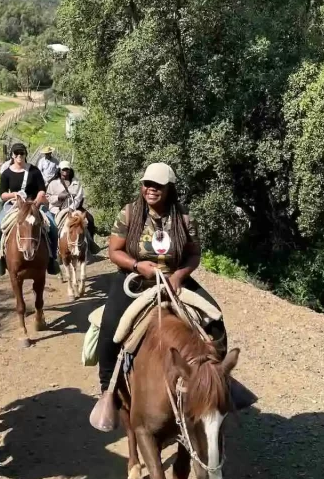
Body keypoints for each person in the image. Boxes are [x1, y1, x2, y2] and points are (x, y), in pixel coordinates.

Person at [90, 162, 228, 432]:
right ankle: (108, 391)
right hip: (135, 280)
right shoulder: (129, 214)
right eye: (147, 184)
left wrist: (179, 276)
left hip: (175, 280)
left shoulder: (185, 219)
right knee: (110, 329)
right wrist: (136, 265)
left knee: (216, 320)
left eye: (157, 185)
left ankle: (215, 381)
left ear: (169, 189)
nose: (151, 189)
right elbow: (114, 251)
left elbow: (193, 254)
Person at [0, 143, 59, 274]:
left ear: (25, 155)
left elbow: (41, 190)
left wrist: (37, 201)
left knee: (53, 227)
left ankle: (52, 259)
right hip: (14, 206)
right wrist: (13, 195)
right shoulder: (6, 173)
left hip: (33, 205)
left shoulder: (34, 171)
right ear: (12, 155)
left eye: (22, 153)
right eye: (16, 153)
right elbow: (3, 194)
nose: (19, 156)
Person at [47, 161, 100, 253]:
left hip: (74, 208)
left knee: (89, 220)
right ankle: (54, 249)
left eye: (67, 169)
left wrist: (72, 207)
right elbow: (48, 197)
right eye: (63, 169)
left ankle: (90, 244)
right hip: (57, 209)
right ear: (59, 170)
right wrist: (59, 197)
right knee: (52, 226)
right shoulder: (53, 183)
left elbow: (79, 197)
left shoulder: (76, 182)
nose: (65, 171)